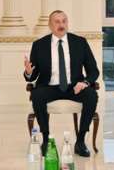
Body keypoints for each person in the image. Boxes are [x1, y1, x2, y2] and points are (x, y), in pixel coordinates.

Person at [24, 10, 99, 157]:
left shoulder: (80, 42)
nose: (61, 25)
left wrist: (85, 82)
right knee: (37, 95)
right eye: (57, 22)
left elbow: (94, 71)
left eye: (64, 21)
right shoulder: (39, 45)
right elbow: (33, 75)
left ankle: (81, 141)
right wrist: (28, 72)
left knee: (91, 95)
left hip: (74, 87)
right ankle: (46, 140)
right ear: (50, 25)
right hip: (49, 87)